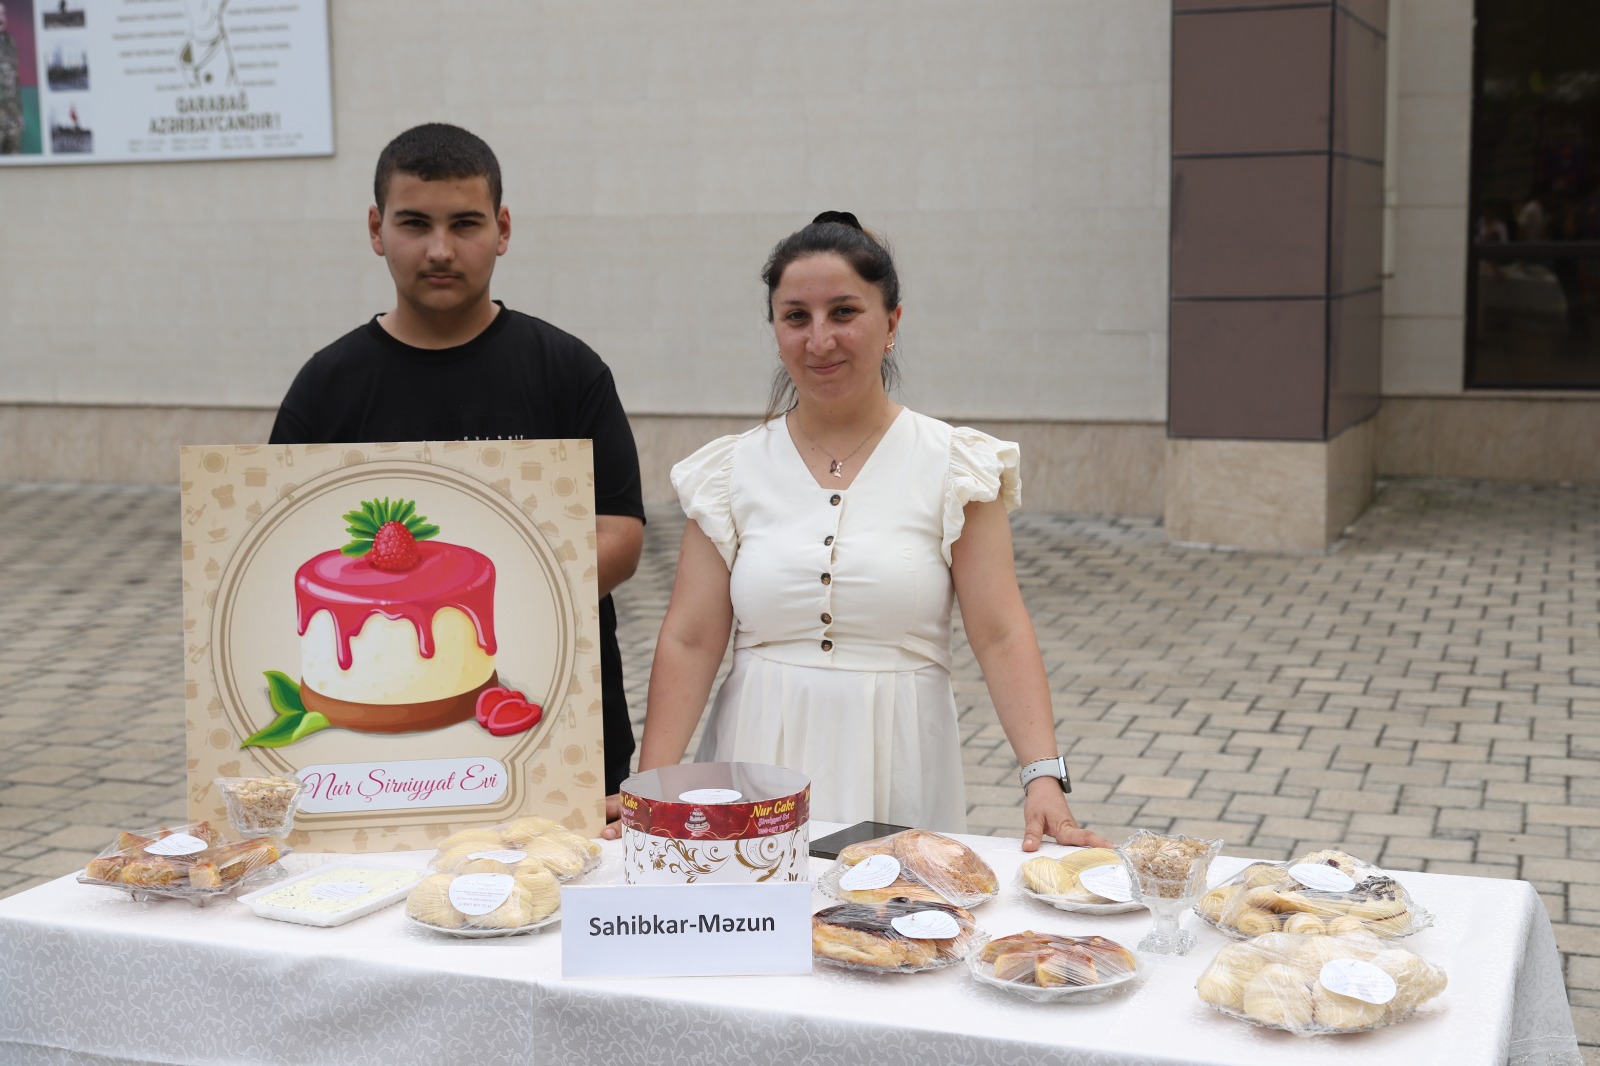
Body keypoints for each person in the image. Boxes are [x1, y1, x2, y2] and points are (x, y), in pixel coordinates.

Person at [619, 212, 1109, 852]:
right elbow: (689, 637)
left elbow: (1000, 630)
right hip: (754, 757)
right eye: (796, 317)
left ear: (891, 324)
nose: (819, 339)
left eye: (844, 312)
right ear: (775, 331)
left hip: (899, 755)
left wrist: (1043, 777)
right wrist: (652, 788)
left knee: (886, 941)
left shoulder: (955, 465)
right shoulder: (730, 470)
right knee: (752, 942)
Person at [268, 123, 646, 794]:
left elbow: (619, 533)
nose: (440, 250)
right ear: (375, 229)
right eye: (414, 223)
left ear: (502, 229)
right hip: (361, 757)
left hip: (556, 733)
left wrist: (497, 603)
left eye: (465, 224)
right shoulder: (327, 387)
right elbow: (276, 540)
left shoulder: (567, 371)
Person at [0, 2, 24, 155]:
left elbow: (15, 81)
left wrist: (19, 114)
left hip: (11, 116)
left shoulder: (9, 42)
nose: (1, 19)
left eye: (3, 14)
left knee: (15, 163)